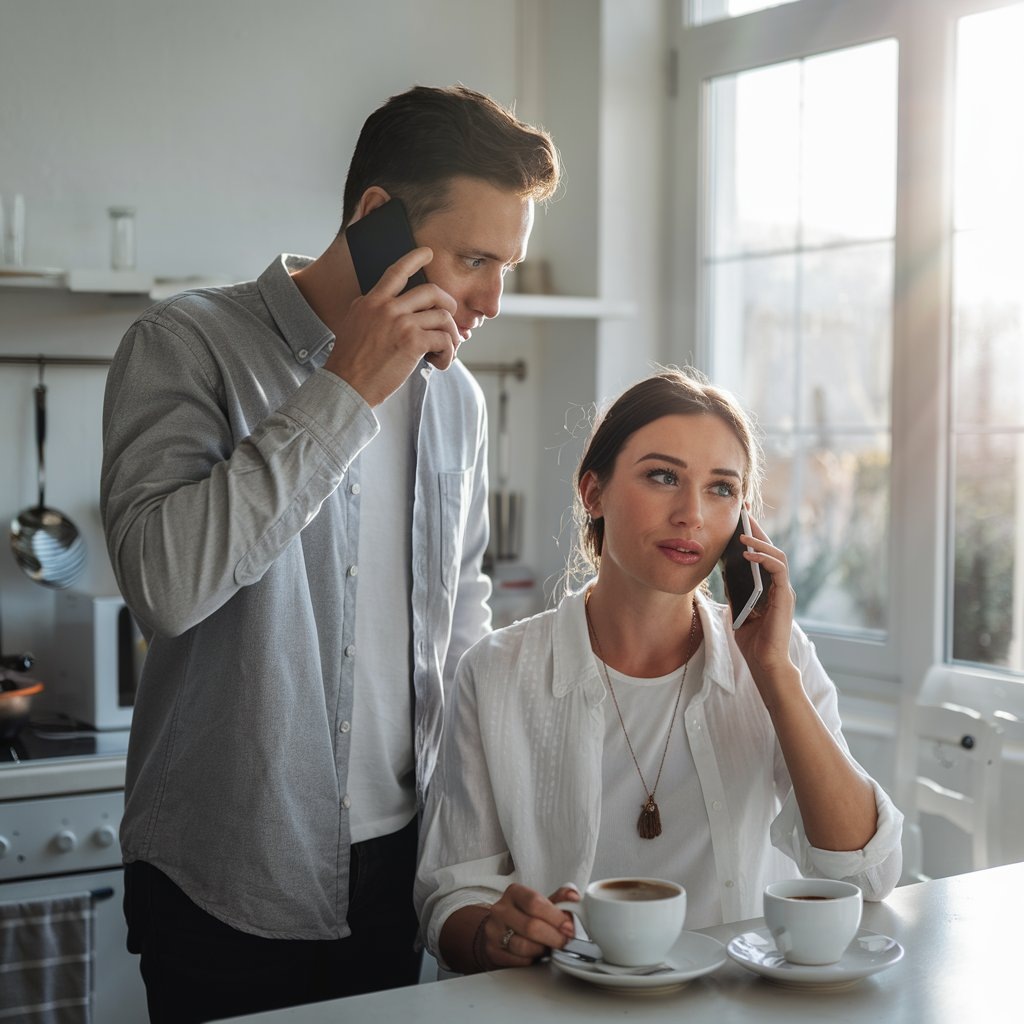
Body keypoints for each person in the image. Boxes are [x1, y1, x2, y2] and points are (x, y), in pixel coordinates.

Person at [100, 84, 560, 1022]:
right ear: (376, 218)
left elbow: (459, 615)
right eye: (474, 259)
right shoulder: (184, 345)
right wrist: (345, 388)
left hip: (403, 867)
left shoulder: (456, 398)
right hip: (223, 873)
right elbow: (164, 587)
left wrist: (495, 821)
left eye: (505, 266)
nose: (492, 299)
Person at [415, 367, 903, 974]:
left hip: (735, 1004)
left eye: (721, 488)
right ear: (593, 493)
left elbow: (869, 875)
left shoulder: (779, 658)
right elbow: (451, 895)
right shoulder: (496, 672)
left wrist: (773, 673)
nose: (691, 514)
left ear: (743, 521)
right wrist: (494, 934)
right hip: (567, 1004)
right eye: (663, 476)